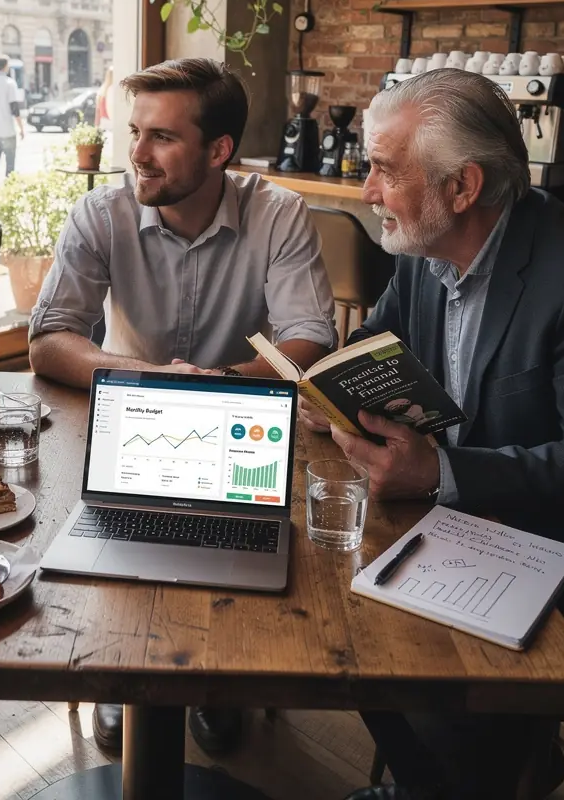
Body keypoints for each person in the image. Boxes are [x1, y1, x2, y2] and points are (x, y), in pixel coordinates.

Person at [300, 69, 564, 799]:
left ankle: (479, 777)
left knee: (411, 668)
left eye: (384, 170)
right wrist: (329, 389)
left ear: (462, 187)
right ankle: (433, 784)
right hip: (464, 528)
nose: (366, 193)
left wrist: (440, 474)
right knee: (333, 620)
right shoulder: (423, 253)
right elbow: (376, 346)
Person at [29, 56, 337, 755]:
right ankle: (116, 676)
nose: (136, 153)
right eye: (133, 131)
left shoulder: (277, 212)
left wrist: (216, 382)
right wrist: (147, 378)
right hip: (128, 423)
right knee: (118, 541)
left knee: (235, 547)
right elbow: (49, 341)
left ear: (218, 150)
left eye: (161, 137)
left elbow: (309, 341)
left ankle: (219, 681)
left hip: (241, 426)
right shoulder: (99, 213)